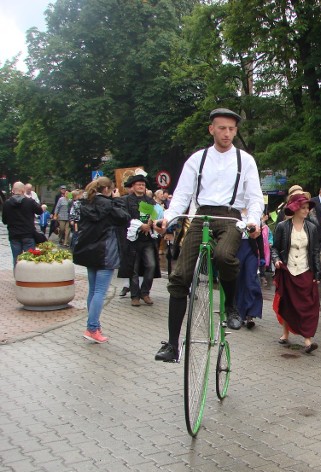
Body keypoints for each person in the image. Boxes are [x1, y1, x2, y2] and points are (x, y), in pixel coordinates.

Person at [155, 108, 263, 362]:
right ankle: (172, 344)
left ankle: (231, 306)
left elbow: (255, 197)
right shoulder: (197, 159)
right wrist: (168, 218)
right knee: (180, 275)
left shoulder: (245, 160)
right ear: (211, 129)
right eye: (222, 128)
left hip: (230, 217)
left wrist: (252, 220)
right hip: (201, 216)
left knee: (224, 256)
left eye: (232, 129)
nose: (227, 134)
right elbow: (182, 194)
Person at [73, 177, 129, 343]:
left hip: (89, 252)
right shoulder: (109, 204)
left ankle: (94, 326)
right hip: (106, 251)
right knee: (100, 292)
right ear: (107, 189)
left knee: (93, 291)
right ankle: (91, 328)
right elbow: (124, 217)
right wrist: (117, 199)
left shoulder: (85, 203)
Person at [271, 193, 321, 353]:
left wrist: (317, 273)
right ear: (295, 208)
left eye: (307, 208)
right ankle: (285, 334)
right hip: (288, 269)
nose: (306, 211)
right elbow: (275, 248)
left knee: (308, 305)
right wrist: (276, 260)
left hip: (305, 270)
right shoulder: (282, 226)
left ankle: (308, 340)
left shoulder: (311, 228)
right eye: (303, 207)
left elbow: (314, 251)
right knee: (287, 303)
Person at [117, 175, 161, 307]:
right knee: (134, 269)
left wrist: (151, 224)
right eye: (138, 184)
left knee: (151, 265)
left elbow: (157, 216)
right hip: (133, 241)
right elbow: (124, 217)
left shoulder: (150, 201)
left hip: (147, 239)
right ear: (133, 186)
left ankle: (145, 292)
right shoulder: (125, 200)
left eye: (143, 184)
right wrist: (140, 226)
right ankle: (134, 296)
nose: (141, 186)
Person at [2, 182, 44, 267]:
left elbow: (4, 221)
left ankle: (18, 278)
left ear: (13, 190)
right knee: (30, 260)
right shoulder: (29, 202)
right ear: (23, 190)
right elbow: (39, 211)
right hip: (28, 235)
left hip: (14, 235)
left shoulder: (7, 204)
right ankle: (29, 278)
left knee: (16, 259)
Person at [235, 208, 263, 329]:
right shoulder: (234, 213)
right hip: (236, 249)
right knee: (238, 280)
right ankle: (239, 313)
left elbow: (259, 237)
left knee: (251, 279)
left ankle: (251, 313)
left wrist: (262, 255)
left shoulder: (254, 213)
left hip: (250, 250)